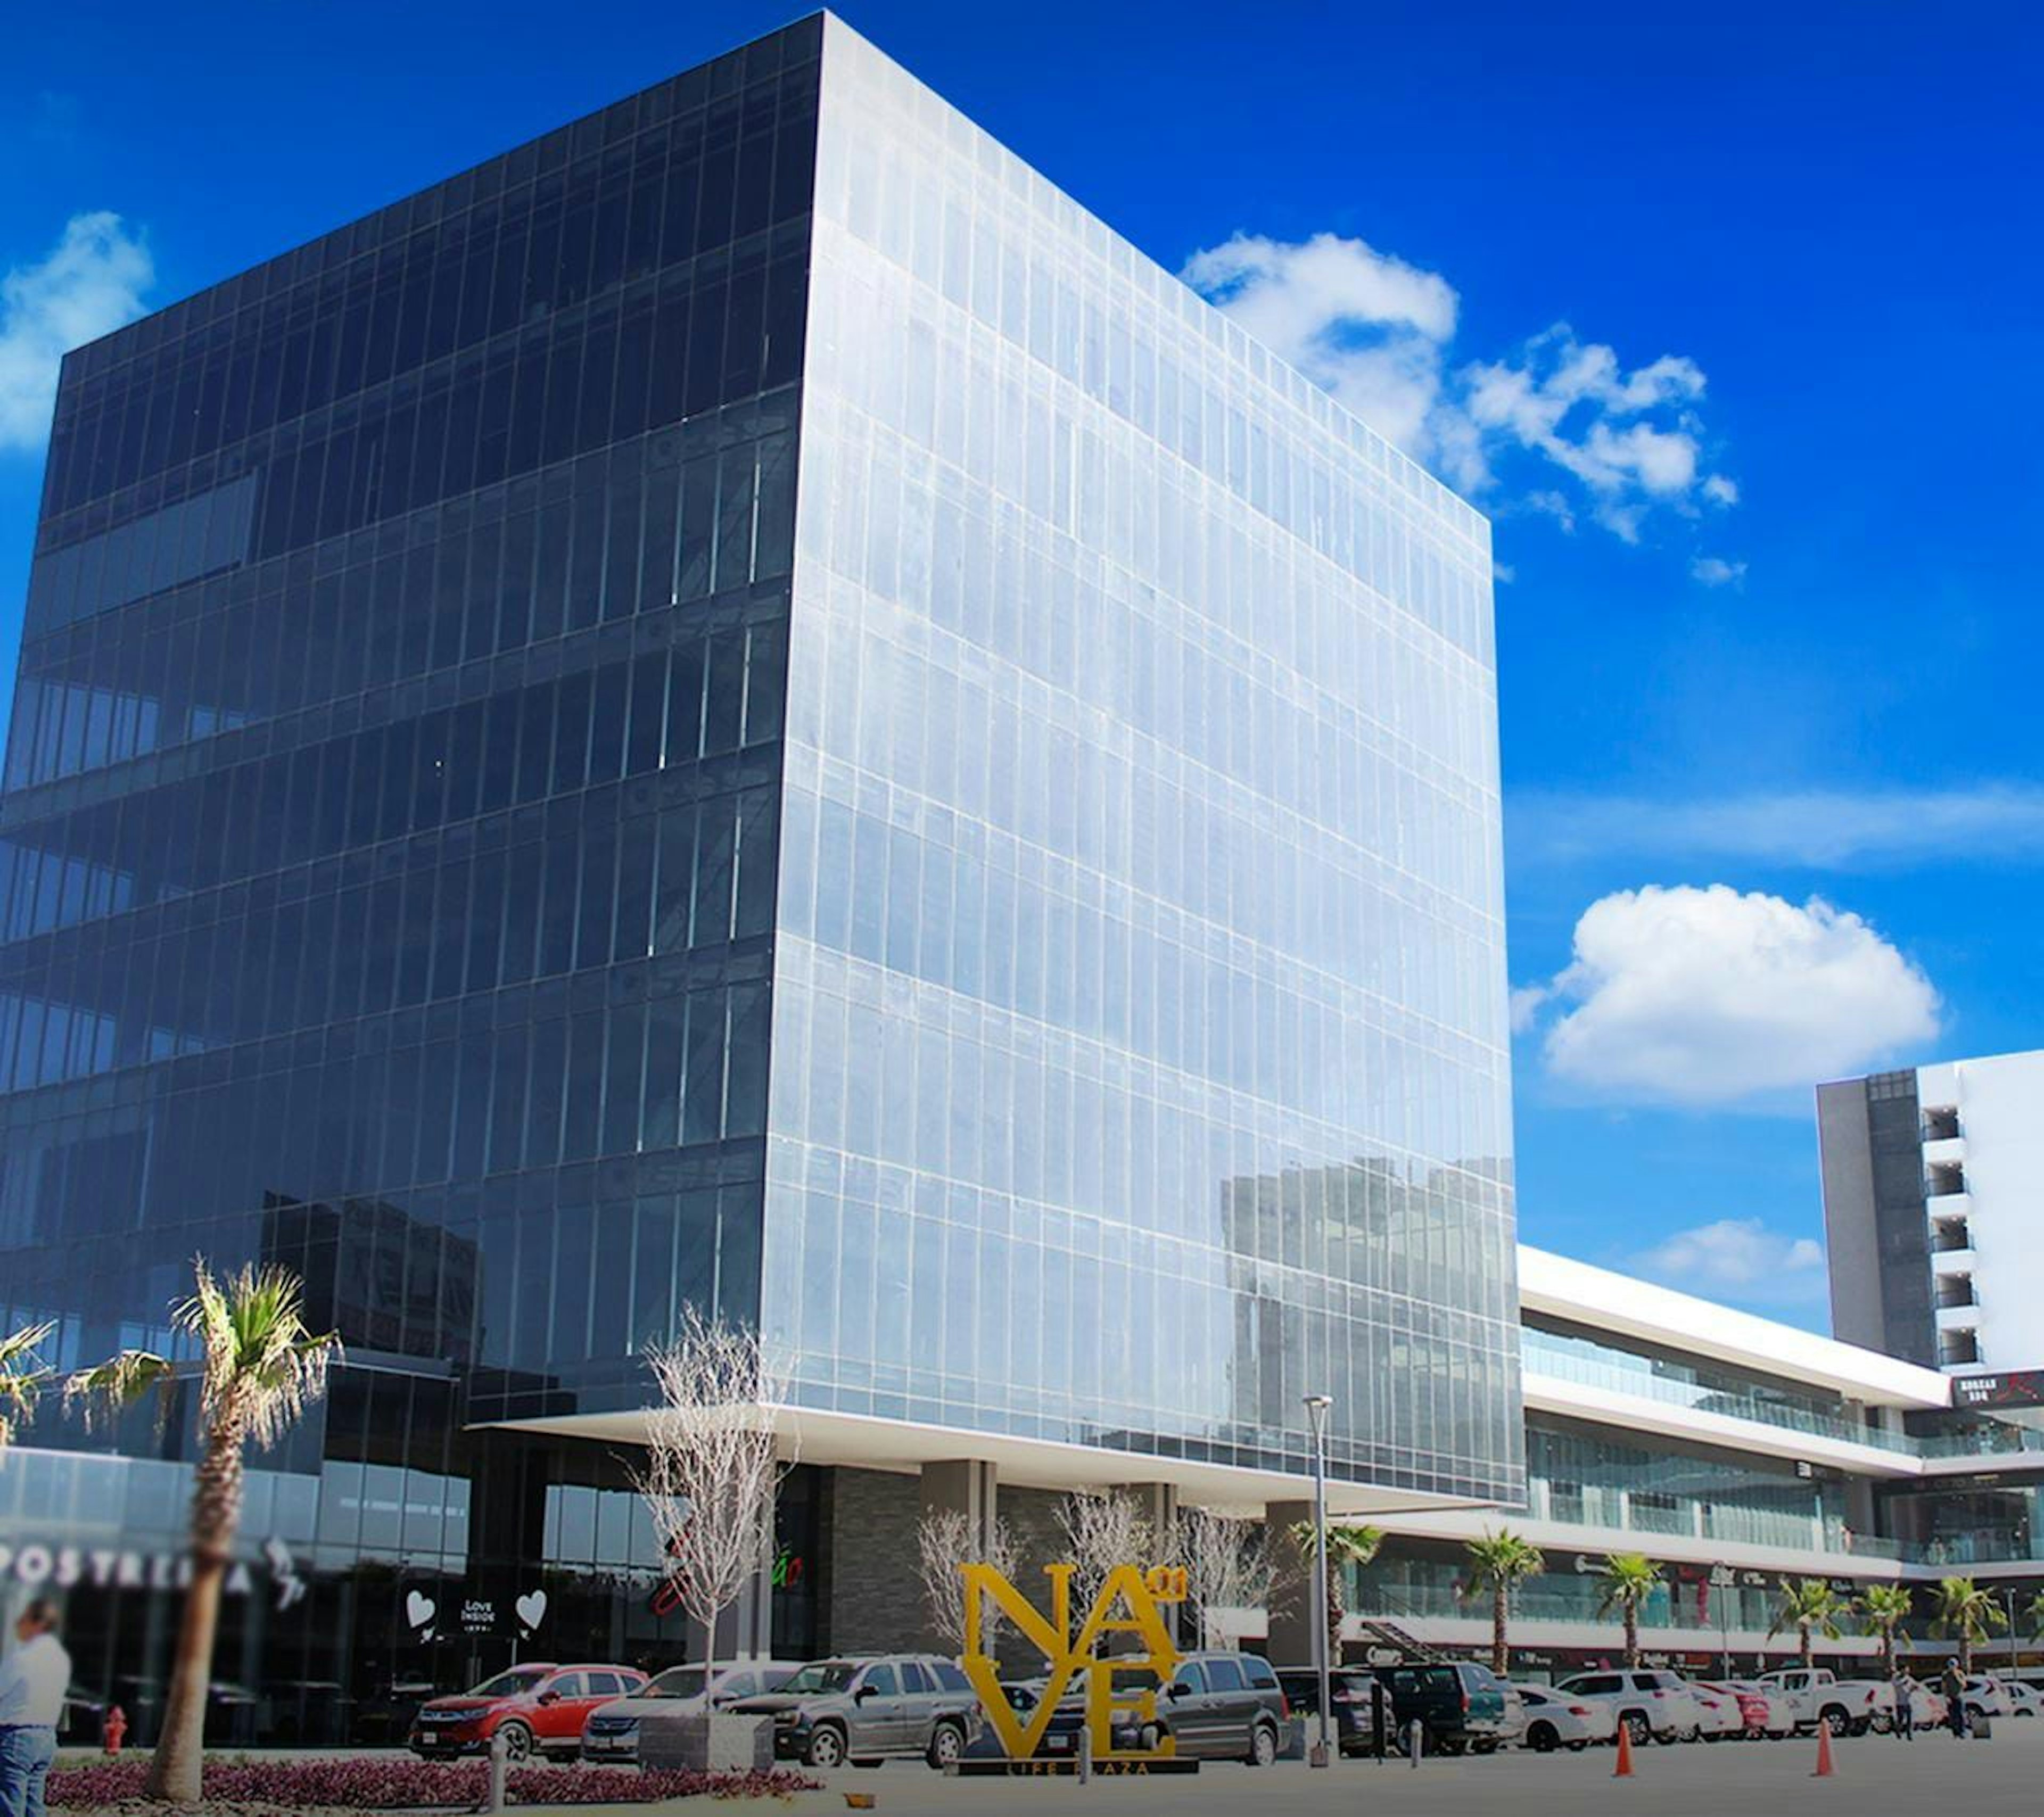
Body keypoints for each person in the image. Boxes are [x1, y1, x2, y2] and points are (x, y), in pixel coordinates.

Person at [0, 1599, 70, 1817]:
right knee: (34, 1802)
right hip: (46, 1736)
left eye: (23, 1620)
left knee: (10, 1803)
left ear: (37, 1624)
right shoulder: (60, 1658)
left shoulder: (21, 1657)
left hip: (16, 1736)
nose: (18, 1625)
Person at [1941, 1660, 1968, 1739]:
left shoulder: (1960, 1673)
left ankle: (1962, 1732)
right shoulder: (1945, 1675)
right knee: (1952, 1716)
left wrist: (1957, 1676)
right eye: (1950, 1665)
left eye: (1953, 1665)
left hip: (1959, 1697)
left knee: (1961, 1715)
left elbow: (1964, 1685)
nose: (1952, 1667)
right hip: (1950, 1698)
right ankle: (1955, 1733)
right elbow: (1944, 1686)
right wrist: (1946, 1696)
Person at [1893, 1672, 1913, 1741]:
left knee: (1909, 1719)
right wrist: (1903, 1682)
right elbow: (1895, 1685)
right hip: (1900, 1703)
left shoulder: (1909, 1678)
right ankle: (1898, 1731)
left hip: (1908, 1702)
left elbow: (1913, 1686)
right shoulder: (1896, 1678)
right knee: (1901, 1719)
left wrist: (1912, 1689)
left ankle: (1909, 1734)